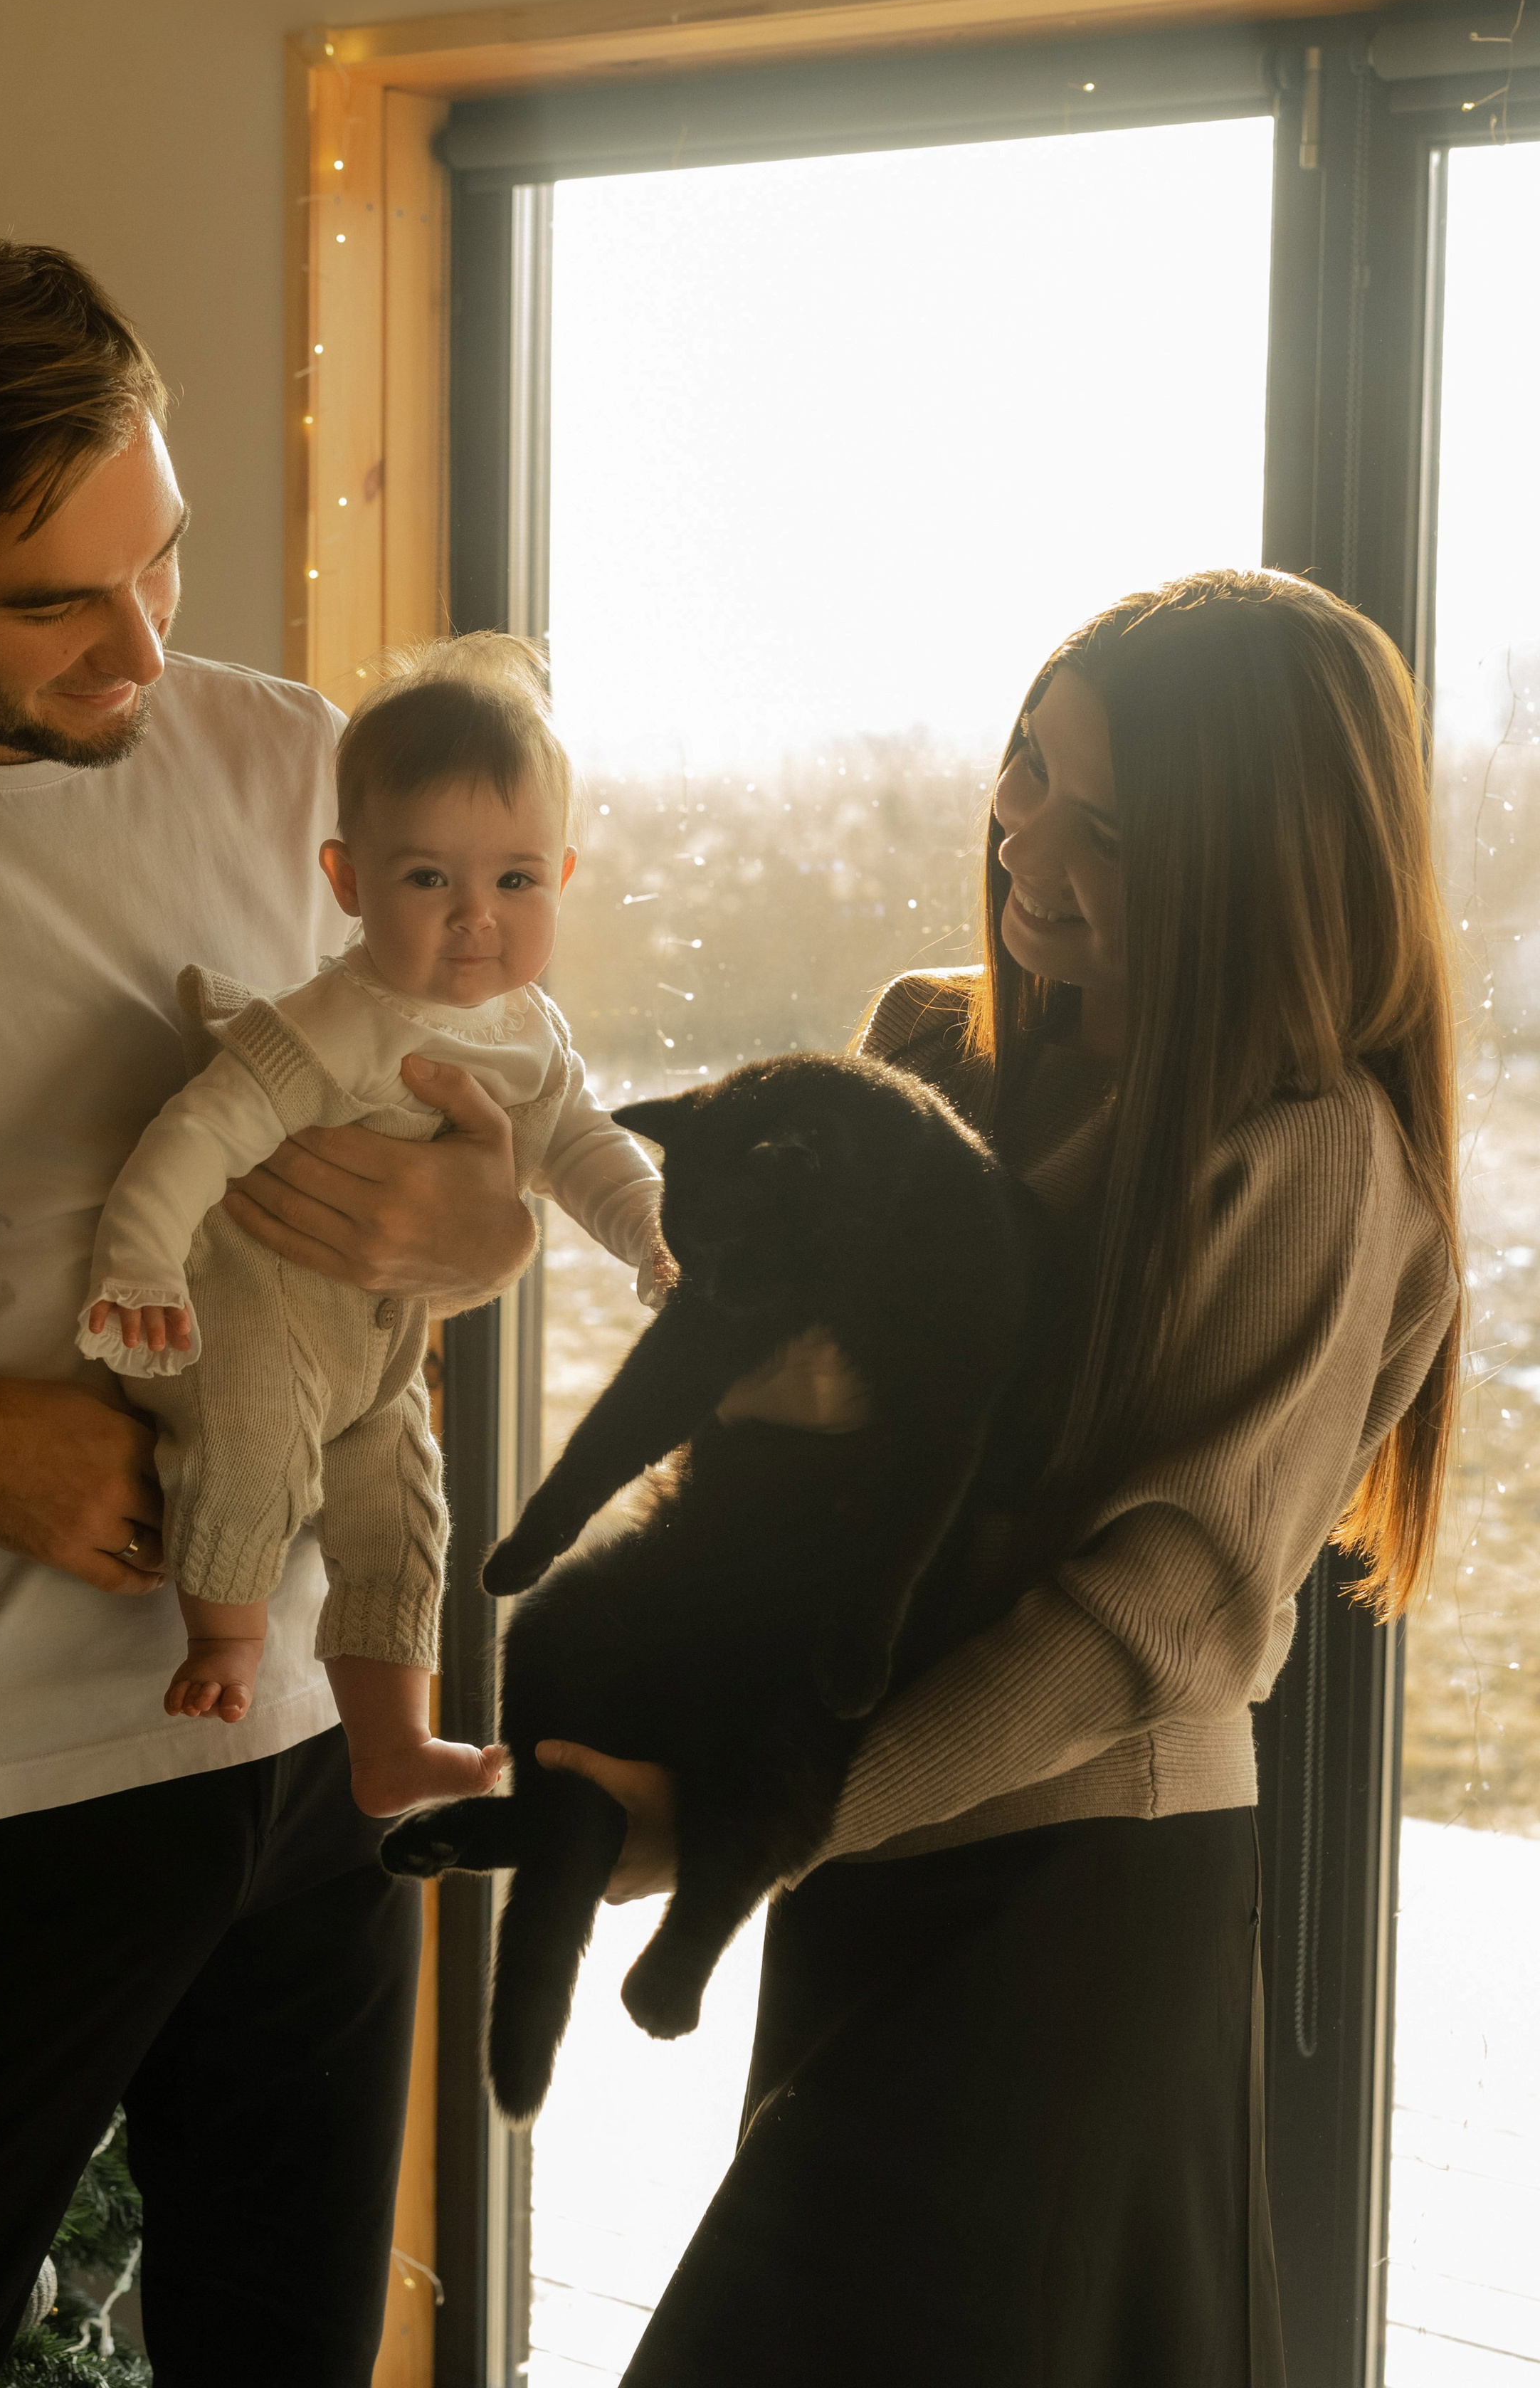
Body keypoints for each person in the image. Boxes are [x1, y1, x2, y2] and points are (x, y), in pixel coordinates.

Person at [0, 233, 536, 2388]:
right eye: (54, 601)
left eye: (159, 559)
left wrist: (477, 1228)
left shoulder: (294, 771)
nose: (139, 647)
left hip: (305, 1756)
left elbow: (486, 1128)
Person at [544, 569, 1462, 2388]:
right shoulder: (930, 1042)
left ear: (1262, 866)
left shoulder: (1306, 1155)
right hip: (858, 1850)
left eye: (1106, 826)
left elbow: (1153, 1616)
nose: (1024, 839)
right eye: (1027, 765)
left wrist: (753, 1818)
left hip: (1068, 1903)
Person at [76, 632, 666, 1809]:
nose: (475, 919)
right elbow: (197, 1133)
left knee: (405, 1517)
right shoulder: (333, 1025)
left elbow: (579, 1144)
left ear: (562, 876)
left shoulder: (528, 1032)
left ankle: (391, 1744)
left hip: (376, 1353)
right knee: (243, 1450)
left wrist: (653, 1230)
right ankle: (227, 1642)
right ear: (348, 882)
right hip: (257, 1320)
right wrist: (137, 1265)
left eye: (514, 880)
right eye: (427, 880)